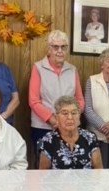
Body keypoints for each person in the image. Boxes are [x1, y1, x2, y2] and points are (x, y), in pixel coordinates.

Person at [29, 29, 85, 161]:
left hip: (70, 128)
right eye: (55, 47)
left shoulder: (72, 69)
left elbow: (80, 100)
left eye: (63, 47)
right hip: (43, 127)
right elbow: (33, 101)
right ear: (49, 49)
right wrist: (55, 121)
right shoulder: (38, 68)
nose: (60, 51)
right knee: (44, 170)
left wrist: (71, 118)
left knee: (68, 167)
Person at [37, 96, 103, 169]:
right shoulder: (48, 140)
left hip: (86, 180)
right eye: (65, 113)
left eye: (74, 113)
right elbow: (43, 174)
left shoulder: (90, 137)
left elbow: (98, 171)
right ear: (56, 117)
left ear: (79, 116)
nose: (70, 117)